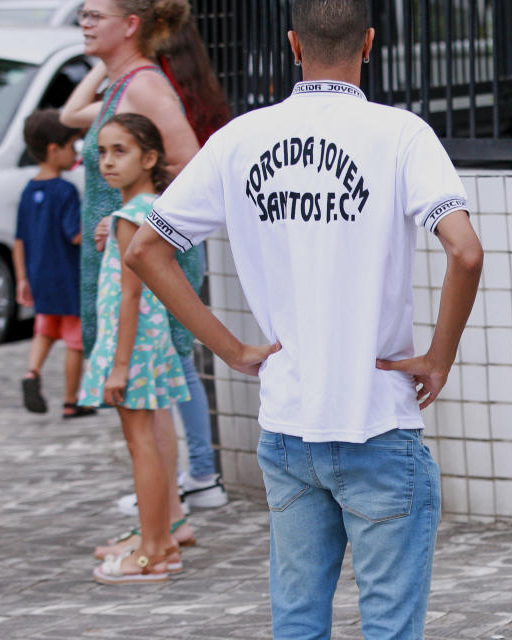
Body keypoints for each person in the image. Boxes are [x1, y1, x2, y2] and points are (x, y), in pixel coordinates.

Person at [125, 0, 483, 635]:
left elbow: (145, 248)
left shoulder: (239, 138)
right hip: (376, 420)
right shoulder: (400, 134)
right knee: (390, 626)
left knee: (297, 621)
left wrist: (231, 349)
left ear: (293, 45)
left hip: (287, 426)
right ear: (369, 43)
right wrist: (439, 357)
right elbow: (465, 251)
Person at [61, 0, 230, 528]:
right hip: (122, 263)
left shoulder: (146, 86)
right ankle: (165, 520)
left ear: (131, 25)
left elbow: (190, 167)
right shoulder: (122, 81)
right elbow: (70, 117)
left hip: (145, 263)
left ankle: (164, 526)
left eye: (95, 16)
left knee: (148, 390)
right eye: (82, 16)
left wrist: (139, 218)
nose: (83, 23)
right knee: (143, 394)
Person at [78, 113, 190, 584]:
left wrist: (119, 366)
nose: (107, 162)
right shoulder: (148, 209)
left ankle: (150, 553)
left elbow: (129, 295)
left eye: (119, 151)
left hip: (132, 350)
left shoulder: (130, 217)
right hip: (148, 345)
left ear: (148, 159)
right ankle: (162, 539)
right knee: (149, 442)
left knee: (140, 444)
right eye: (102, 152)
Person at [12, 109, 94, 419]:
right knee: (74, 341)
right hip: (67, 277)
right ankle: (72, 401)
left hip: (39, 277)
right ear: (53, 149)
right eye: (72, 145)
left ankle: (32, 371)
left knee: (44, 330)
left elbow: (19, 240)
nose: (75, 151)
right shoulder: (65, 190)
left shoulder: (28, 190)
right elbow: (74, 235)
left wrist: (22, 279)